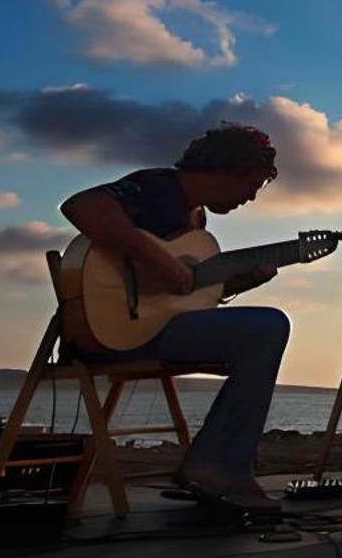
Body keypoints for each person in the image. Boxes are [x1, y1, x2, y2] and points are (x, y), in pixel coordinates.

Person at [60, 123, 288, 513]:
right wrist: (163, 262)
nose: (251, 197)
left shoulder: (195, 221)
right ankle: (217, 466)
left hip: (152, 326)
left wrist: (243, 280)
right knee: (268, 327)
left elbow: (185, 296)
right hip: (107, 328)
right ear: (227, 168)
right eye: (251, 183)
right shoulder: (158, 187)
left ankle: (222, 463)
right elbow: (81, 206)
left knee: (263, 329)